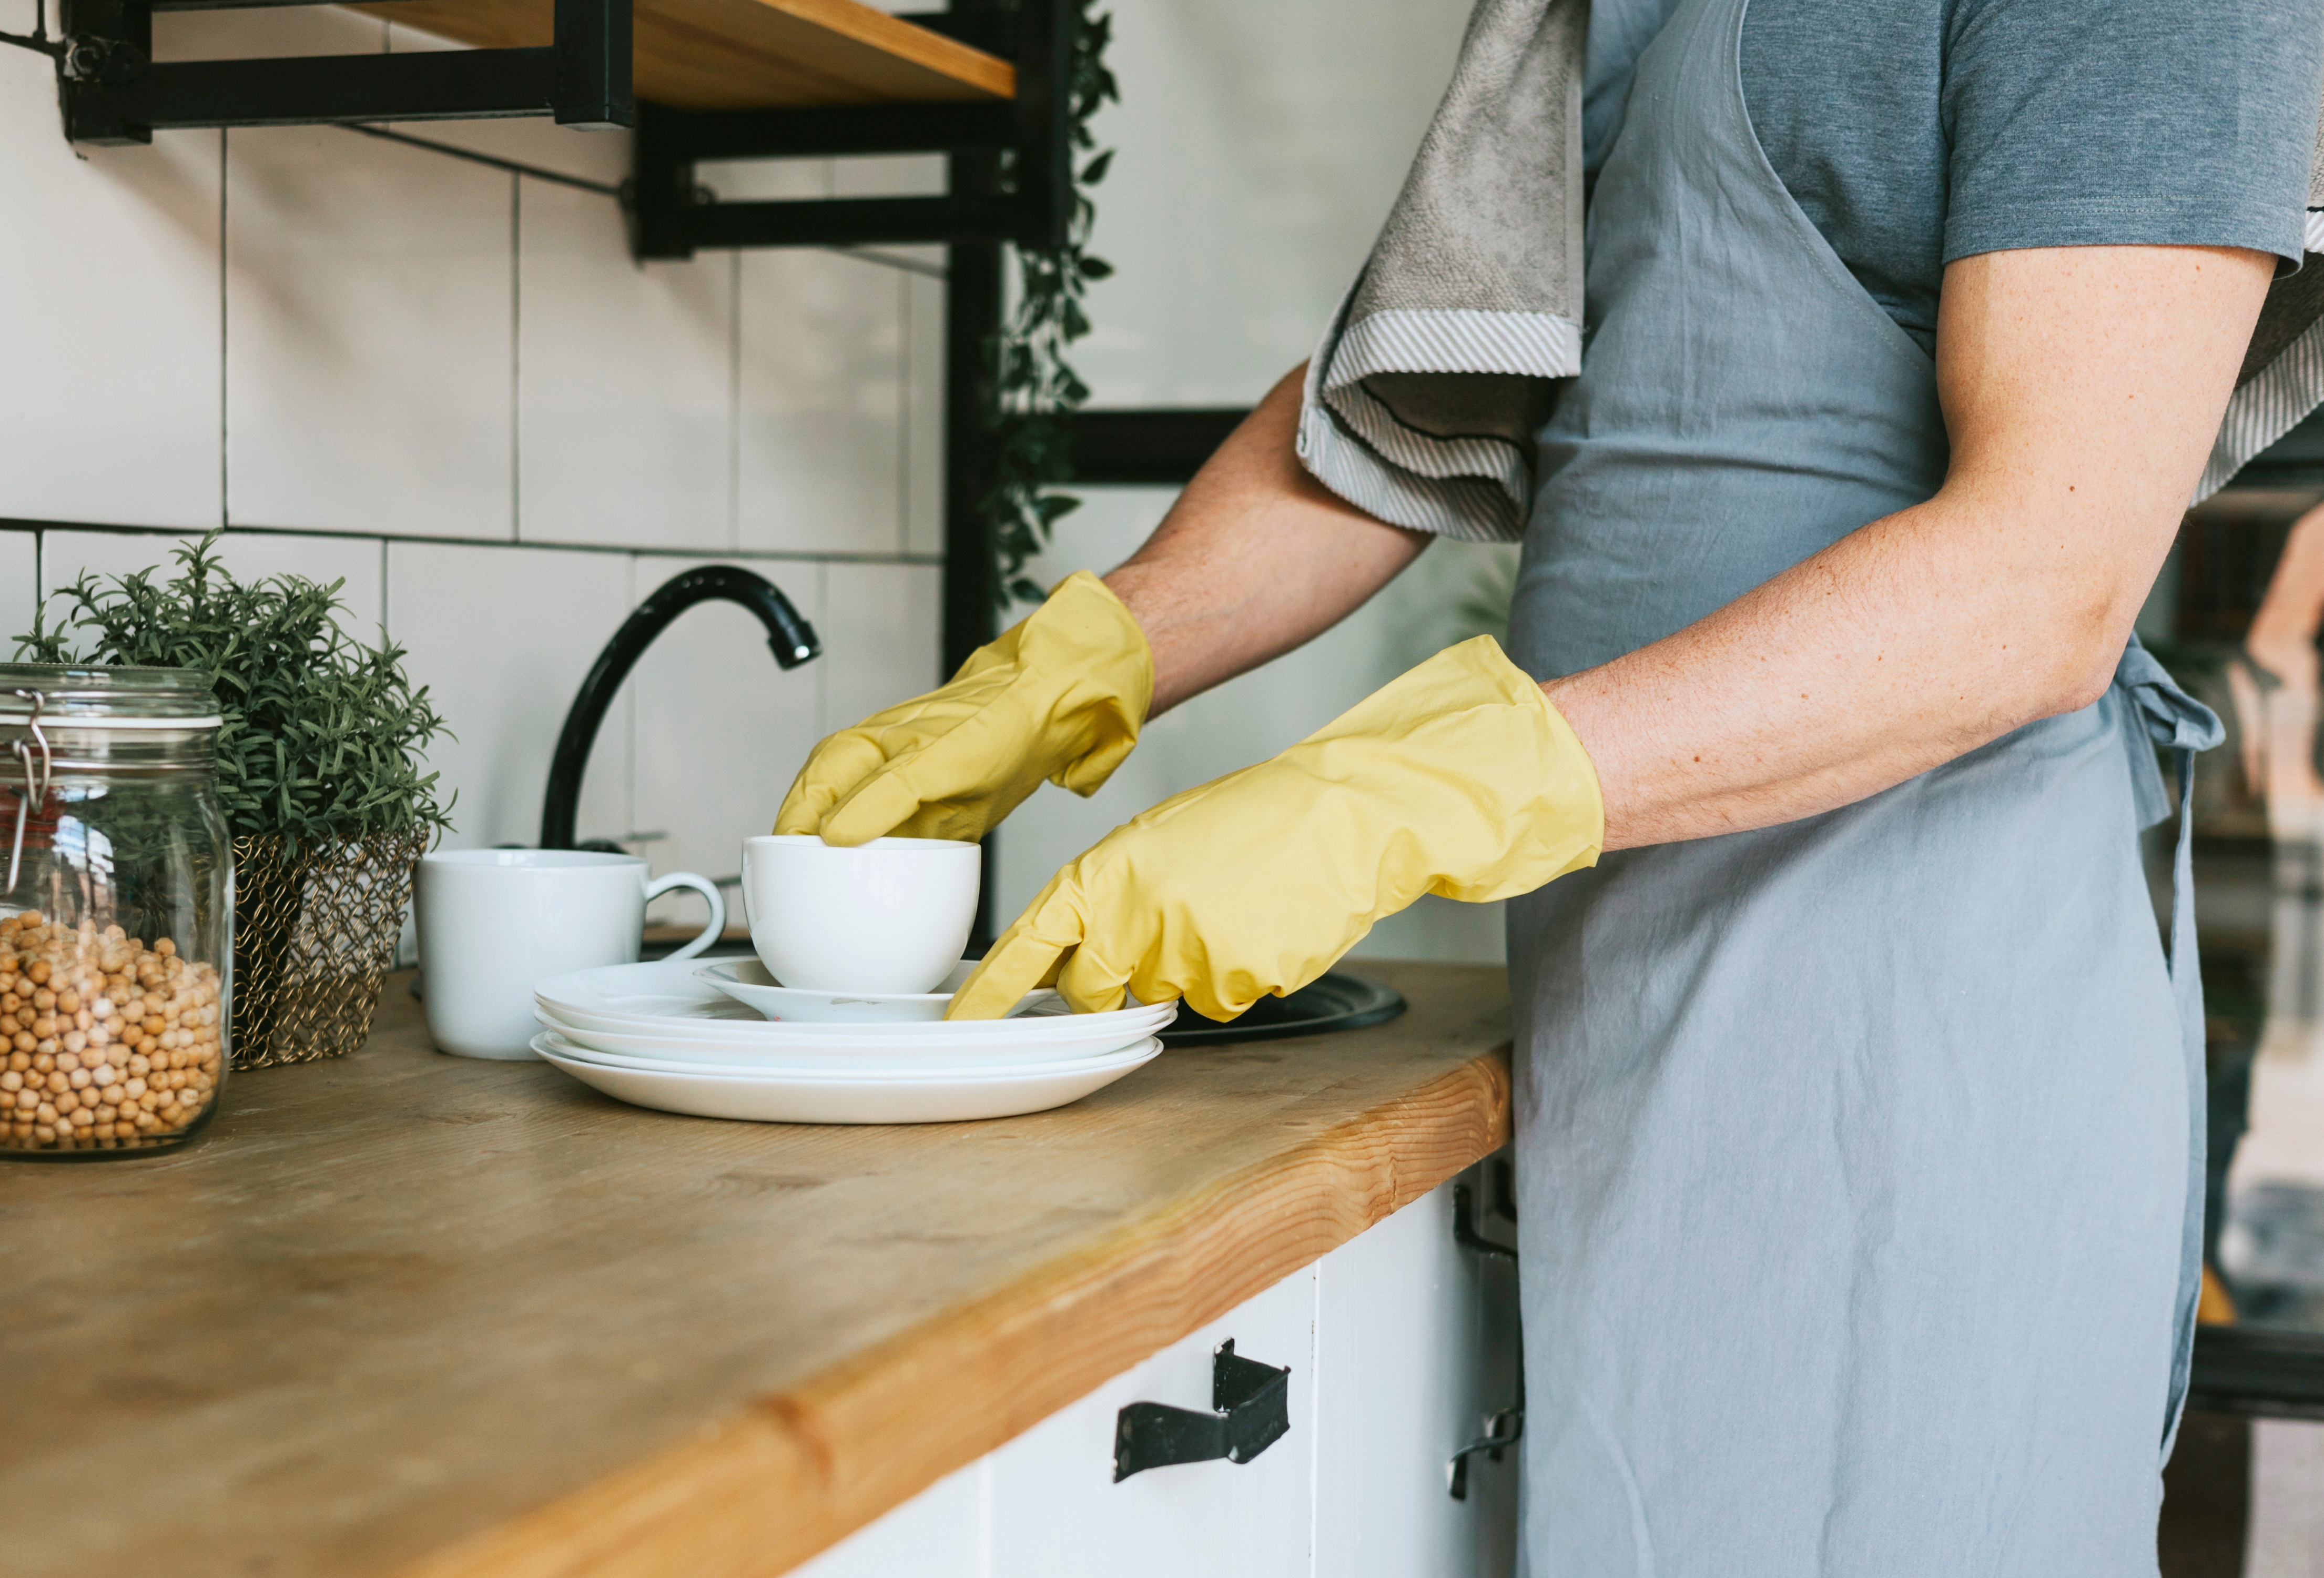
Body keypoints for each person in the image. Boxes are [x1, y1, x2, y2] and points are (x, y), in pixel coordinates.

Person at [777, 0, 2324, 1567]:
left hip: (1918, 1031)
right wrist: (1077, 664)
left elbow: (2036, 581)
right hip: (1626, 980)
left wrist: (1406, 795)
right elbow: (1407, 399)